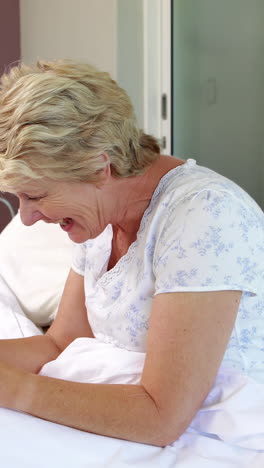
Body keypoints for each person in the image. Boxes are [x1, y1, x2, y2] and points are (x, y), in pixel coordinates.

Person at [0, 59, 263, 448]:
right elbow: (61, 343)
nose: (27, 218)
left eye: (36, 196)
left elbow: (161, 416)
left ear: (98, 167)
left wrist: (17, 391)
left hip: (218, 434)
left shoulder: (204, 213)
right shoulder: (98, 221)